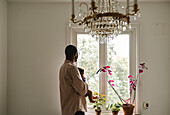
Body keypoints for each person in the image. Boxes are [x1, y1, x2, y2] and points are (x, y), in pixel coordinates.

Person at [59, 45, 88, 115]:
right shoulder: (72, 68)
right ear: (75, 54)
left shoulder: (62, 68)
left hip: (66, 108)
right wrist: (84, 81)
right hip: (75, 109)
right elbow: (81, 89)